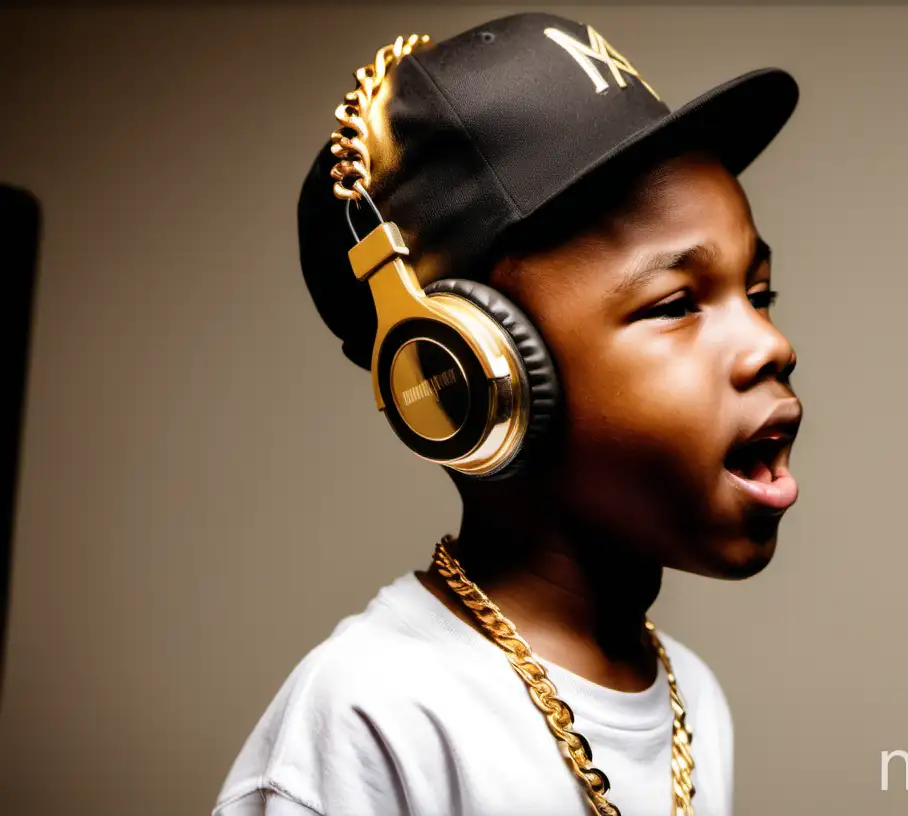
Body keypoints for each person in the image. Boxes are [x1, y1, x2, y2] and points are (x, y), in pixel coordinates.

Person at [213, 12, 801, 816]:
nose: (769, 344)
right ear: (459, 378)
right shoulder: (376, 720)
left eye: (758, 294)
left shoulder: (690, 697)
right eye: (674, 304)